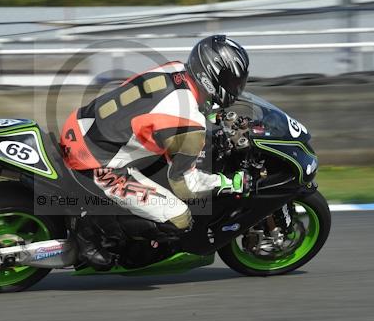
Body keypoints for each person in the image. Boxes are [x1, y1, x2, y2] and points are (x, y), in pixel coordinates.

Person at [60, 35, 251, 269]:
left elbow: (156, 107)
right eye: (231, 80)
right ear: (210, 74)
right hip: (97, 164)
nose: (235, 87)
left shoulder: (176, 69)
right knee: (179, 216)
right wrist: (228, 182)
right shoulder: (189, 124)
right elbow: (185, 185)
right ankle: (92, 233)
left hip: (80, 126)